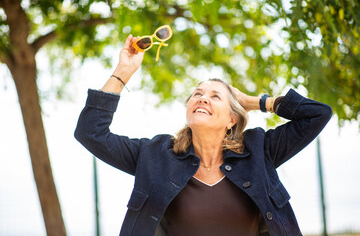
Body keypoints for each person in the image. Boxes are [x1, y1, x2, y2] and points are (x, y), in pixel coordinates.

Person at [74, 34, 332, 236]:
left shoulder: (260, 149)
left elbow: (318, 114)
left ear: (232, 119)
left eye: (215, 96)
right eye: (197, 94)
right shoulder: (154, 155)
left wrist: (255, 101)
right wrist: (123, 71)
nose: (203, 98)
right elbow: (90, 132)